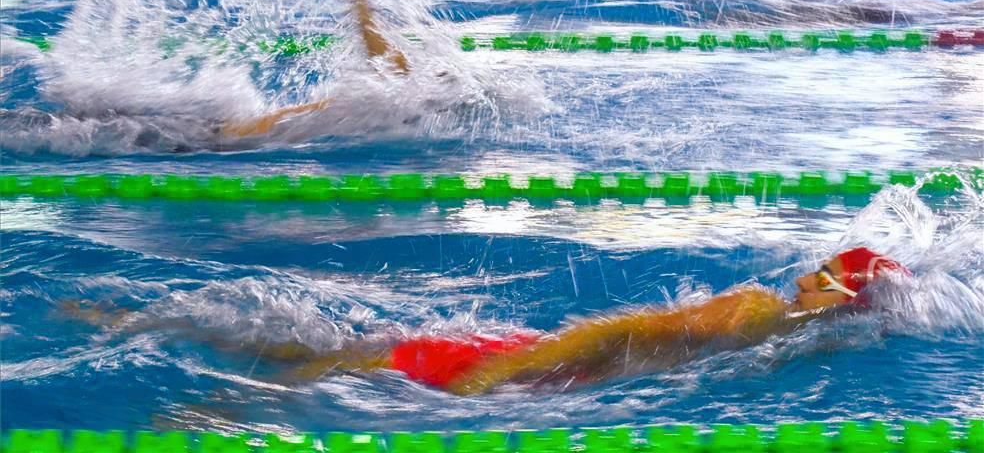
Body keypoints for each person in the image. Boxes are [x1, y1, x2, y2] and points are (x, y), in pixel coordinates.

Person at [64, 247, 907, 395]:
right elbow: (618, 335)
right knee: (312, 378)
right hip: (506, 367)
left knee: (320, 353)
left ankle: (121, 317)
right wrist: (501, 379)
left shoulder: (781, 326)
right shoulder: (756, 314)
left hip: (511, 360)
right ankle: (196, 397)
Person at [218, 0, 410, 139]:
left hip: (263, 132)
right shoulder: (404, 89)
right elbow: (367, 27)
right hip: (245, 136)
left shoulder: (405, 90)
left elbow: (367, 27)